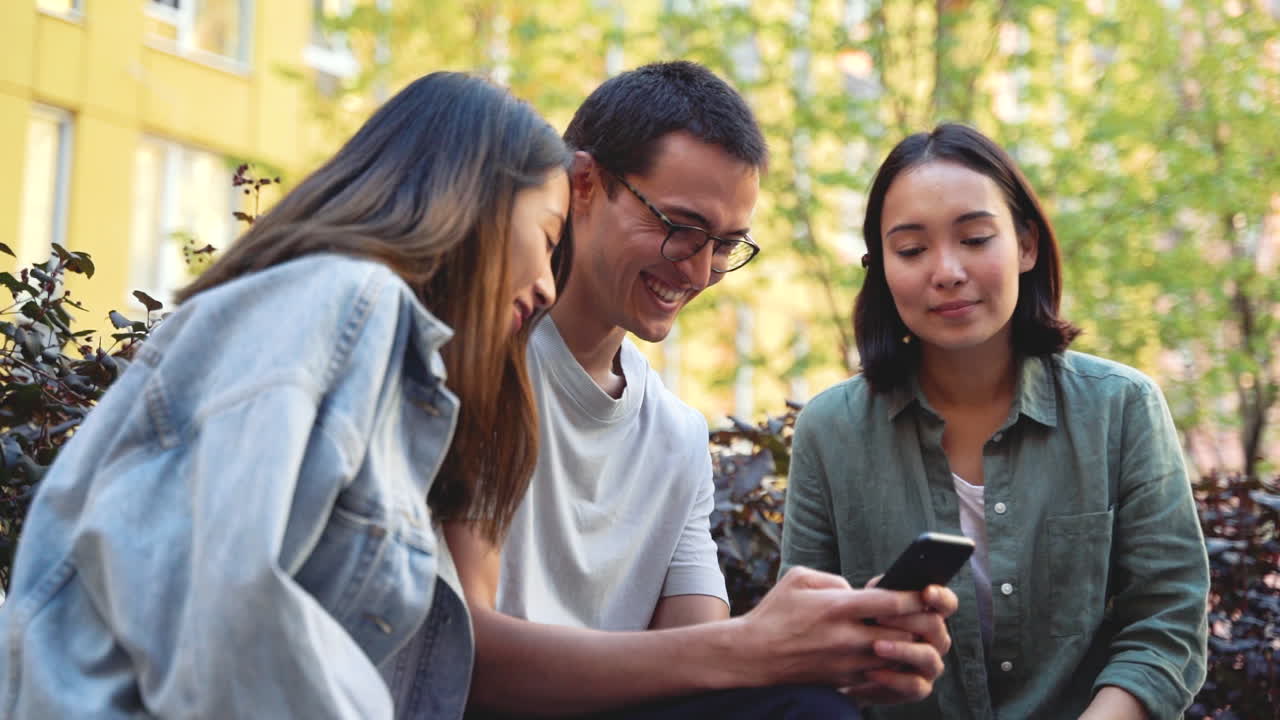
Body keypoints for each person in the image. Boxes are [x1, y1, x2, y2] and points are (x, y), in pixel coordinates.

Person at [0, 71, 572, 719]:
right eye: (549, 239)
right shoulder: (349, 300)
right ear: (477, 197)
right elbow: (226, 598)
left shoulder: (343, 323)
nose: (549, 287)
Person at [440, 61, 958, 719]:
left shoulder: (676, 436)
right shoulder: (480, 357)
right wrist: (755, 647)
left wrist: (832, 650)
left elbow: (696, 661)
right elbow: (458, 658)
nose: (699, 269)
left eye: (726, 245)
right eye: (680, 226)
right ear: (585, 183)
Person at [781, 123, 1209, 719]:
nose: (947, 270)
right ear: (880, 268)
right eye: (910, 250)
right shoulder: (831, 430)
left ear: (1027, 245)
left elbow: (1168, 620)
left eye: (976, 238)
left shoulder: (1122, 407)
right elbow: (802, 650)